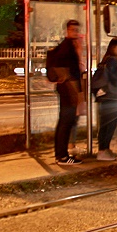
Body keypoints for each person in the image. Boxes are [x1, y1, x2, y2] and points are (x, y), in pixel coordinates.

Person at [49, 19, 84, 165]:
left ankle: (62, 154)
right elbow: (71, 70)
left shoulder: (70, 46)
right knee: (66, 122)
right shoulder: (66, 47)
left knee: (66, 122)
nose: (75, 33)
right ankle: (62, 156)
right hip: (69, 90)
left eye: (77, 30)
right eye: (73, 30)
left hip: (68, 89)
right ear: (67, 31)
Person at [93, 38, 117, 161]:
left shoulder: (105, 60)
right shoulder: (113, 60)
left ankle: (104, 149)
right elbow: (116, 78)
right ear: (112, 48)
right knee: (110, 124)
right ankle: (103, 150)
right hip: (111, 95)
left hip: (105, 96)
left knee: (105, 123)